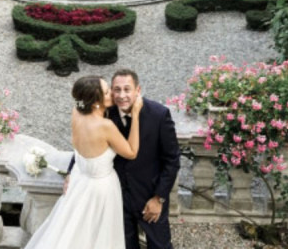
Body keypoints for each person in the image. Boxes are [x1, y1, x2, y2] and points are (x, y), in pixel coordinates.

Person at [25, 75, 143, 249]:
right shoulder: (105, 126)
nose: (112, 93)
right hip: (101, 189)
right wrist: (136, 115)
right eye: (107, 92)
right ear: (95, 102)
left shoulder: (76, 112)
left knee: (72, 231)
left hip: (79, 182)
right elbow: (131, 152)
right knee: (98, 236)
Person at [110, 68, 180, 249]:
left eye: (127, 89)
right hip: (118, 196)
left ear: (138, 90)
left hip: (150, 196)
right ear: (111, 91)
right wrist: (71, 170)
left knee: (160, 246)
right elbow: (88, 140)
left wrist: (159, 198)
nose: (122, 95)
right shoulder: (106, 112)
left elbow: (172, 160)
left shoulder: (159, 114)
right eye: (117, 90)